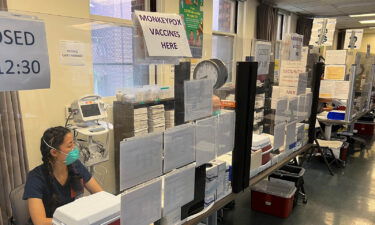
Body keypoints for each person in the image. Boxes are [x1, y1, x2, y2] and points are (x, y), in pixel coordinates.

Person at [23, 126, 103, 225]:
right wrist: (73, 222)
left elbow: (101, 195)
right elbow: (40, 222)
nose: (75, 148)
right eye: (70, 146)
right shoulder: (36, 178)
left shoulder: (76, 165)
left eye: (74, 143)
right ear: (54, 152)